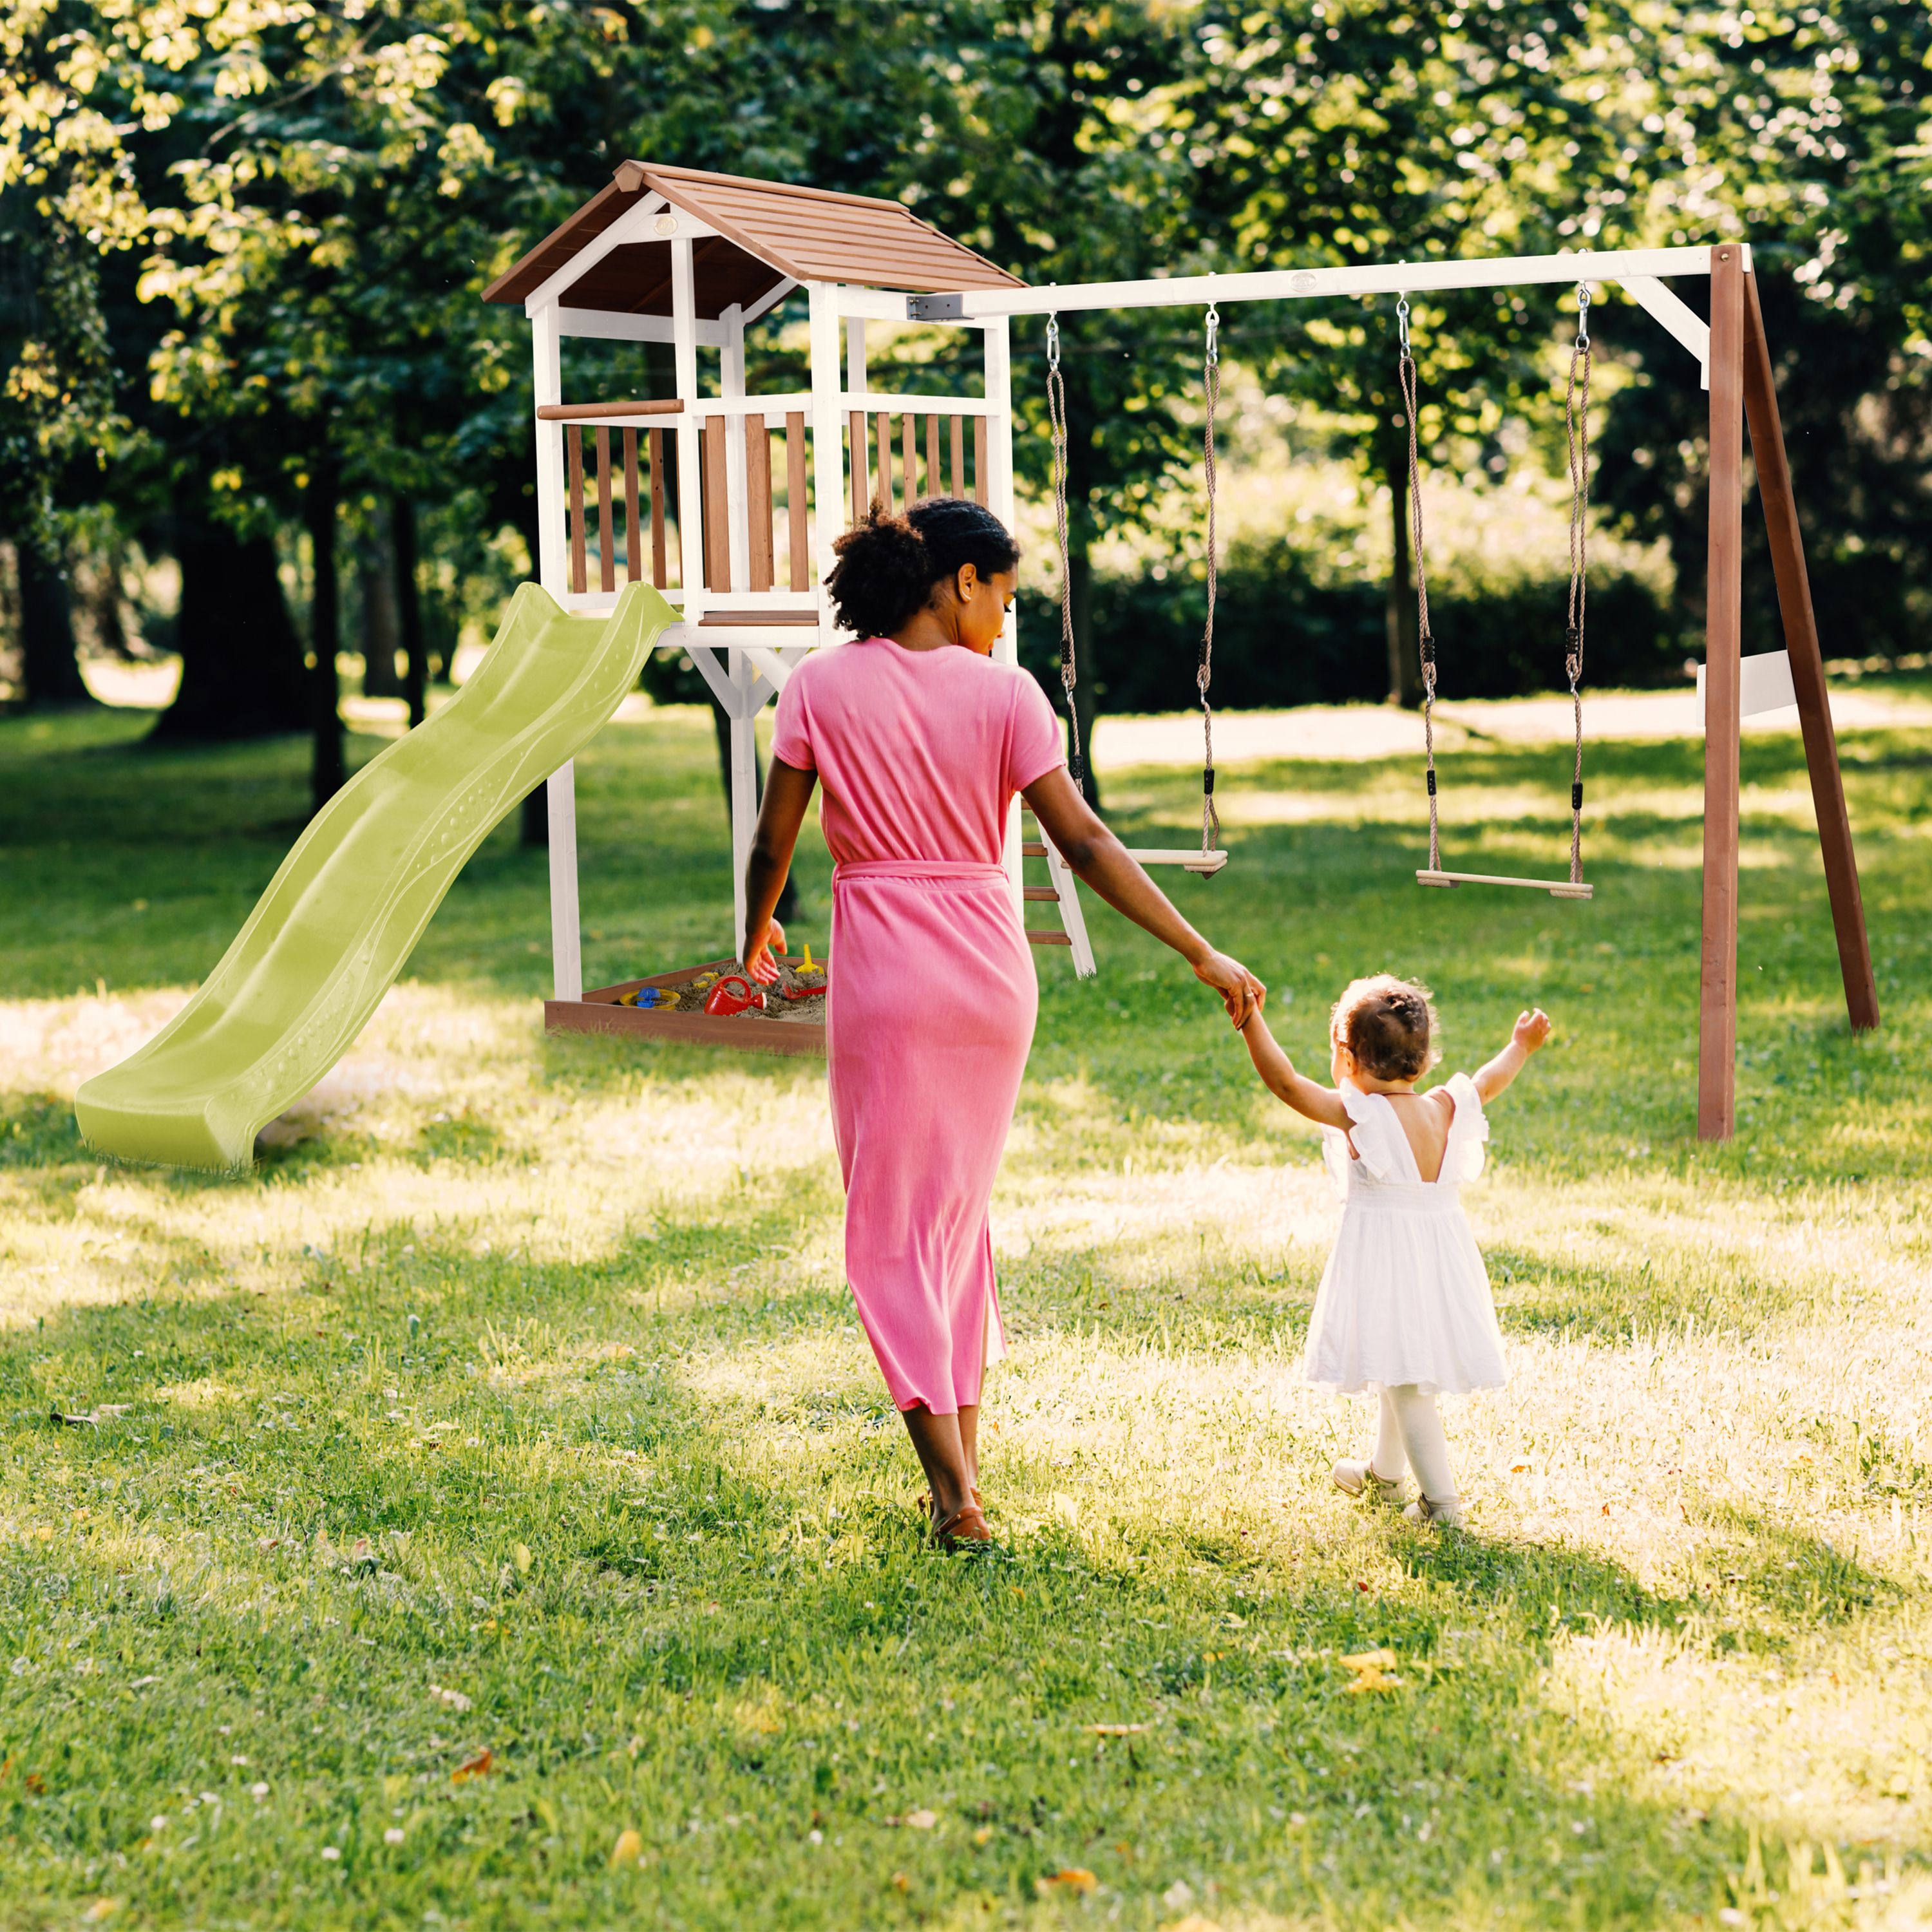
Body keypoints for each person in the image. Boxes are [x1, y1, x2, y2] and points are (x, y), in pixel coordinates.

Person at [741, 498, 1264, 1547]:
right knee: (952, 1225)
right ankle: (964, 1474)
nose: (1005, 619)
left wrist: (751, 937)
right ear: (960, 581)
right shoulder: (1008, 697)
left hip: (887, 974)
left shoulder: (817, 686)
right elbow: (1085, 844)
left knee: (891, 1233)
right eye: (1006, 596)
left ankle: (954, 1496)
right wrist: (1197, 948)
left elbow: (773, 841)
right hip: (989, 975)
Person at [1235, 974, 1551, 1526]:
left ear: (1348, 1058)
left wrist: (1250, 1019)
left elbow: (1286, 1084)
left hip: (1389, 1263)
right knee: (1395, 1362)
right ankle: (1384, 1475)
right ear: (1424, 1061)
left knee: (1406, 1384)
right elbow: (1488, 1079)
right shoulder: (1445, 1107)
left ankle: (1441, 1505)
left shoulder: (1361, 1116)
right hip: (1439, 1261)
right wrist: (1520, 1046)